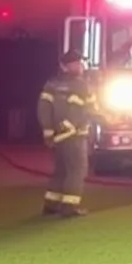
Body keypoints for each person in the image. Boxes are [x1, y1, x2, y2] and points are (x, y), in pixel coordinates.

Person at [37, 50, 102, 217]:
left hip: (57, 136)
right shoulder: (81, 85)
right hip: (75, 135)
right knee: (77, 170)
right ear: (65, 66)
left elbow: (43, 108)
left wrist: (48, 131)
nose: (80, 66)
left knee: (61, 170)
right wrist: (110, 120)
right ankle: (69, 207)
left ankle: (51, 205)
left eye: (80, 62)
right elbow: (87, 110)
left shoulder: (51, 84)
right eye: (77, 63)